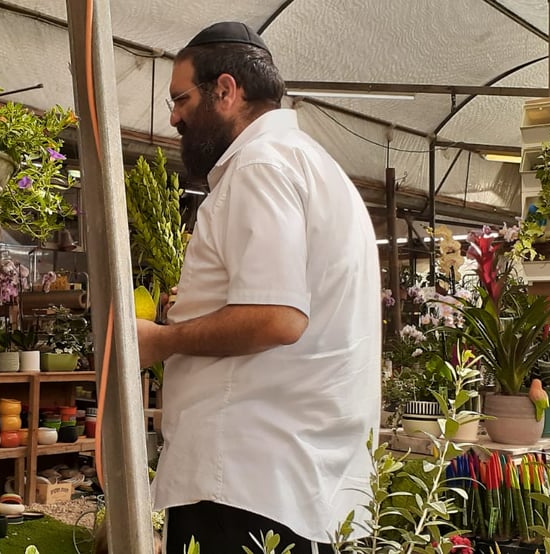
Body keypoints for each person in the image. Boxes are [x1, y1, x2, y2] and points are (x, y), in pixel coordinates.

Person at [134, 21, 381, 554]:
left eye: (181, 98)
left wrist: (160, 340)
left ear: (226, 90)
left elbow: (277, 316)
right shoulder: (316, 167)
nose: (173, 116)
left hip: (246, 485)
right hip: (290, 486)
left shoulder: (261, 166)